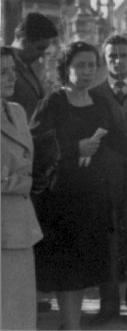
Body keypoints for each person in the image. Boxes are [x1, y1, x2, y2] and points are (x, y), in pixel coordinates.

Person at [31, 41, 127, 331]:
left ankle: (71, 325)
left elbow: (118, 140)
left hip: (92, 199)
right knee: (67, 269)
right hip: (61, 199)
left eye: (92, 65)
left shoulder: (100, 102)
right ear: (66, 68)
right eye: (81, 65)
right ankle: (71, 326)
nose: (88, 71)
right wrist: (74, 148)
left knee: (82, 270)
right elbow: (35, 145)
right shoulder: (54, 102)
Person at [87, 35, 127, 326]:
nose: (118, 61)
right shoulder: (94, 95)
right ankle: (108, 305)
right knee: (107, 245)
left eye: (123, 55)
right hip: (105, 181)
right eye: (112, 56)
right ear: (105, 60)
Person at [1, 46, 44, 330]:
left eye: (12, 70)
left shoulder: (16, 111)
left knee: (21, 314)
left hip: (21, 225)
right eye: (2, 72)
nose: (11, 77)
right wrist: (26, 181)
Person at [9, 12, 58, 120]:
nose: (42, 55)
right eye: (40, 48)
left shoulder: (27, 66)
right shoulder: (5, 64)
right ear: (24, 40)